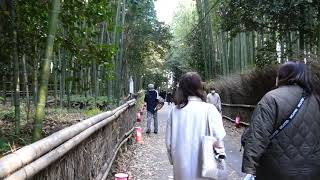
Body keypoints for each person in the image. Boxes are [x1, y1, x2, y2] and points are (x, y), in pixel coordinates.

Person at [242, 61, 320, 180]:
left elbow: (258, 136)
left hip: (276, 171)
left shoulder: (272, 98)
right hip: (312, 170)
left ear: (283, 77)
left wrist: (250, 167)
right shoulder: (316, 100)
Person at [165, 72, 226, 180]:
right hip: (206, 167)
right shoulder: (210, 109)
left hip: (181, 168)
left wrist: (174, 161)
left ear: (182, 89)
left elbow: (169, 144)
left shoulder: (174, 112)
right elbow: (219, 137)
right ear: (199, 87)